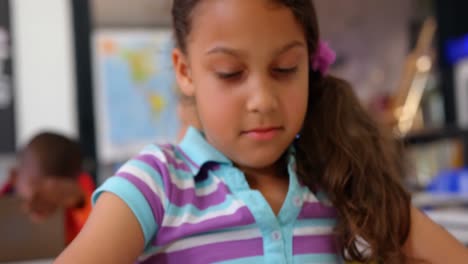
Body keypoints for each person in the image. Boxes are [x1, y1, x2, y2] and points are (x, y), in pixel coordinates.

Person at [56, 0, 468, 263]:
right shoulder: (156, 186)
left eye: (285, 70)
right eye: (231, 73)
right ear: (185, 71)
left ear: (309, 64)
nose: (262, 100)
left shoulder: (339, 179)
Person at [1, 132, 95, 244]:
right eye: (35, 184)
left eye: (57, 190)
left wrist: (80, 202)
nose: (44, 194)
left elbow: (101, 234)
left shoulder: (80, 204)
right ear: (15, 176)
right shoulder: (5, 200)